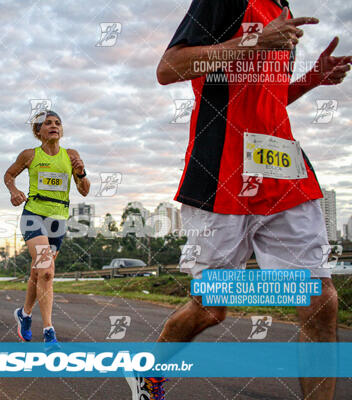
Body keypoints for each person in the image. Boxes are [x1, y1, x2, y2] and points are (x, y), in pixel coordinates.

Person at [143, 1, 351, 399]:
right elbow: (169, 68)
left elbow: (267, 97)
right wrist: (254, 40)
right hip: (221, 170)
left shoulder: (284, 9)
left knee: (320, 300)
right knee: (210, 308)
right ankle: (149, 376)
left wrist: (312, 79)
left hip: (283, 168)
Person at [4, 110, 90, 349]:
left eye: (58, 123)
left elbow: (84, 190)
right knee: (48, 271)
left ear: (61, 130)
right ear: (38, 131)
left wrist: (81, 172)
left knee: (38, 273)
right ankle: (49, 331)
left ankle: (25, 314)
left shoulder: (71, 155)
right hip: (34, 216)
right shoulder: (30, 155)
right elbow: (9, 175)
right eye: (48, 123)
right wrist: (14, 191)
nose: (54, 126)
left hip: (58, 220)